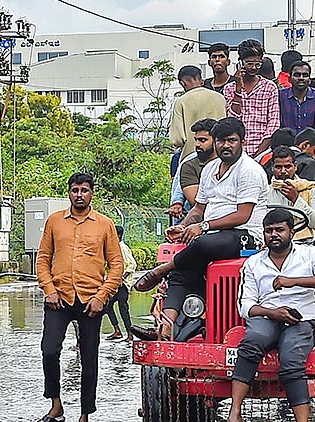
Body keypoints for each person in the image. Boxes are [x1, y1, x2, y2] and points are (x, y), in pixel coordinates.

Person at [221, 207, 315, 422]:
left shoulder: (311, 254)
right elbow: (245, 305)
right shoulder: (253, 263)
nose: (274, 235)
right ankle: (234, 414)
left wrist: (293, 281)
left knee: (291, 362)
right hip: (267, 316)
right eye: (269, 231)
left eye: (279, 230)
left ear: (291, 232)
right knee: (250, 343)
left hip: (302, 319)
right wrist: (272, 312)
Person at [134, 118, 269, 336]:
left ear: (242, 142)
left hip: (245, 236)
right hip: (212, 236)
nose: (226, 145)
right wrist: (184, 225)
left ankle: (162, 269)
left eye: (231, 140)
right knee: (182, 271)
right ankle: (166, 327)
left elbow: (243, 215)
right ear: (214, 143)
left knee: (203, 243)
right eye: (221, 141)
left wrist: (203, 227)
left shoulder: (249, 171)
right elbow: (198, 208)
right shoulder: (209, 169)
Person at [33, 172, 124, 422]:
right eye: (75, 190)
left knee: (89, 358)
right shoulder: (54, 222)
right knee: (49, 350)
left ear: (91, 193)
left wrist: (102, 296)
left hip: (91, 301)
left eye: (84, 190)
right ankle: (56, 405)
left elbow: (116, 264)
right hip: (58, 298)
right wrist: (48, 289)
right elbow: (43, 258)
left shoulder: (104, 225)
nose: (79, 194)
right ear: (69, 193)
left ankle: (85, 415)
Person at [222, 39, 280, 156]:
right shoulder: (229, 88)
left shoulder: (269, 87)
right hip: (236, 150)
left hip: (263, 150)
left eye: (257, 64)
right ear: (240, 63)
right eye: (249, 64)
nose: (253, 68)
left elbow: (273, 124)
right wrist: (238, 88)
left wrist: (259, 153)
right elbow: (232, 119)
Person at [268, 146, 315, 242]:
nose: (283, 171)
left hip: (305, 244)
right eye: (278, 167)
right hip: (273, 245)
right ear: (272, 167)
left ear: (295, 166)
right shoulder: (265, 191)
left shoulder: (310, 188)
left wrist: (296, 200)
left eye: (287, 166)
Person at [170, 65, 225, 160]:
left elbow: (177, 139)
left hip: (192, 157)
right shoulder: (220, 98)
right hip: (218, 156)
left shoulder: (181, 101)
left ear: (183, 83)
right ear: (201, 81)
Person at [104, 224, 138, 341]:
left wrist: (121, 278)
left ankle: (129, 333)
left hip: (122, 284)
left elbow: (132, 265)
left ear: (117, 235)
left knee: (123, 308)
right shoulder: (114, 247)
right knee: (108, 306)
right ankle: (117, 330)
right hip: (114, 283)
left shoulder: (121, 247)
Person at [279, 60, 315, 138]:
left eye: (305, 75)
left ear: (309, 80)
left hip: (310, 144)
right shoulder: (280, 96)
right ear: (289, 79)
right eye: (297, 75)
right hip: (285, 144)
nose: (301, 78)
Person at [178, 118, 217, 208]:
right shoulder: (190, 166)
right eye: (196, 140)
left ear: (216, 140)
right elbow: (196, 202)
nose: (197, 144)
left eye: (202, 140)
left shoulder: (228, 163)